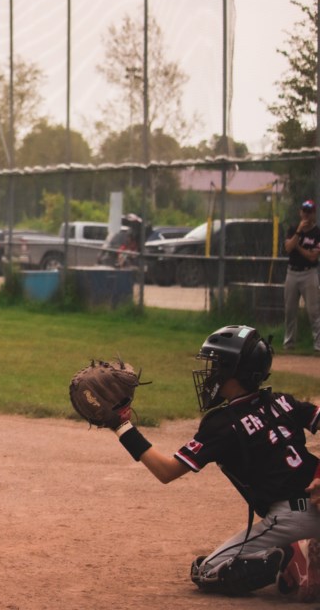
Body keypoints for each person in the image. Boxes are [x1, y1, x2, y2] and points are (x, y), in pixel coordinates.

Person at [111, 325, 320, 599]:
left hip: (292, 518)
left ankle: (289, 558)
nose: (211, 373)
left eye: (217, 365)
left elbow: (167, 471)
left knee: (208, 570)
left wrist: (121, 426)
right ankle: (303, 552)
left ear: (234, 372)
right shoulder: (282, 401)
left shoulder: (223, 424)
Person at [283, 199, 320, 353]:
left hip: (309, 273)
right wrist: (298, 232)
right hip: (292, 272)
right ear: (300, 212)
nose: (306, 214)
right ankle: (289, 344)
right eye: (304, 210)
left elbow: (312, 257)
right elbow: (287, 248)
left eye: (309, 211)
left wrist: (297, 246)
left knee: (314, 311)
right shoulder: (293, 229)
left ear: (314, 213)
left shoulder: (317, 232)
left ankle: (318, 345)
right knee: (290, 310)